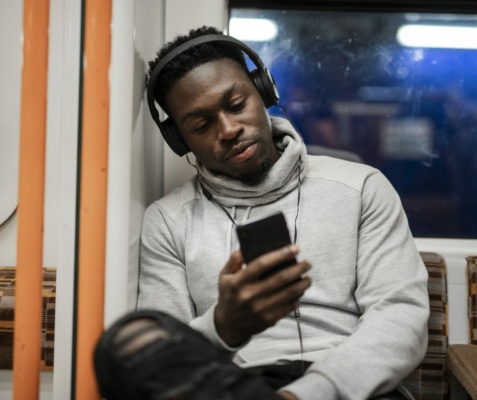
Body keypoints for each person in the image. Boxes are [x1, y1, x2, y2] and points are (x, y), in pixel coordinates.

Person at [134, 26, 429, 400]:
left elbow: (400, 318)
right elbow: (161, 363)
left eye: (237, 104)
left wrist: (306, 394)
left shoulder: (361, 186)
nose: (229, 129)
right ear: (179, 140)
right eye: (202, 125)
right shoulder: (169, 220)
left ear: (263, 91)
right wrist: (223, 325)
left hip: (354, 388)